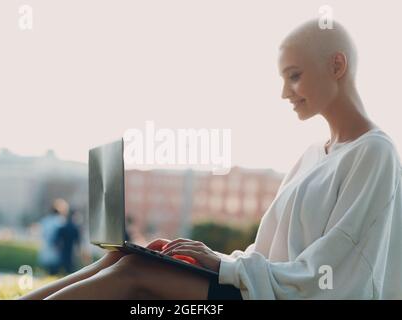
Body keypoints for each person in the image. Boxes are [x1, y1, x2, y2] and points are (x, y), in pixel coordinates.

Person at [21, 19, 402, 299]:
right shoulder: (310, 155)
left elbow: (332, 275)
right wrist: (214, 258)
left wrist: (224, 265)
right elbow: (264, 257)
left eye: (295, 76)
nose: (285, 92)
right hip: (263, 290)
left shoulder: (374, 152)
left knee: (136, 271)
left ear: (337, 66)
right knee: (125, 257)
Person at [37, 199, 68, 275]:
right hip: (56, 253)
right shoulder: (61, 221)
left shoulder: (45, 220)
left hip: (45, 252)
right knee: (55, 275)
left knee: (46, 274)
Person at [55, 208, 82, 274]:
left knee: (62, 271)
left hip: (63, 252)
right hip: (71, 253)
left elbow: (57, 241)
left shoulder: (62, 227)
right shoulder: (75, 228)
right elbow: (78, 242)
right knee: (71, 271)